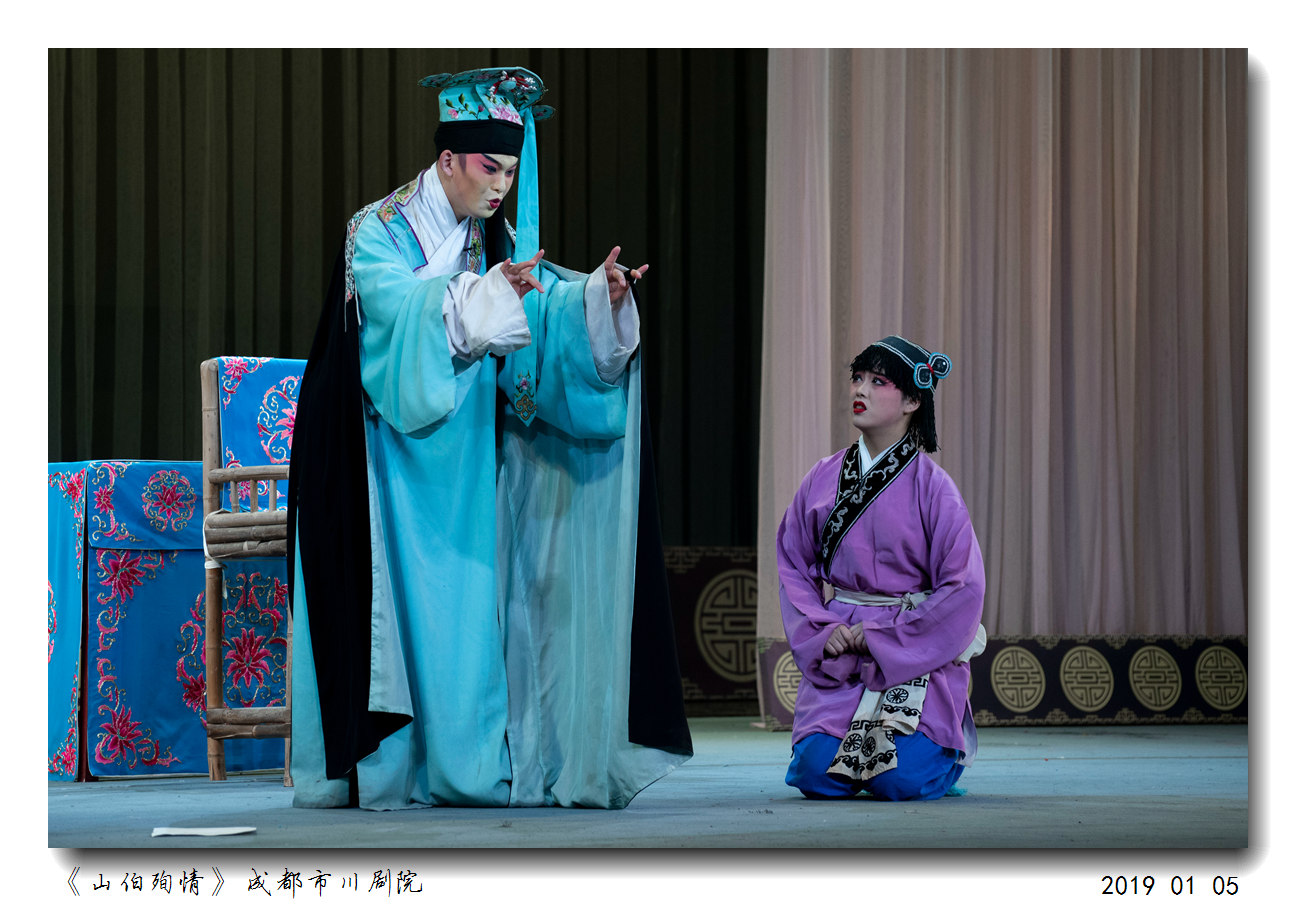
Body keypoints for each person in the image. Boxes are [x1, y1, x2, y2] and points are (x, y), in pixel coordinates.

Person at [286, 66, 692, 810]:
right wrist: (484, 296)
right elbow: (394, 312)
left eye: (510, 170)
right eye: (488, 167)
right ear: (448, 159)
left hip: (474, 458)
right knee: (404, 621)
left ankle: (474, 762)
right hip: (388, 457)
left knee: (472, 615)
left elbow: (536, 315)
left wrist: (594, 300)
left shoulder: (491, 238)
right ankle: (397, 764)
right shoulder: (378, 230)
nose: (502, 184)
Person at [776, 334, 986, 801]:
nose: (861, 389)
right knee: (815, 774)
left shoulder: (935, 488)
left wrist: (885, 635)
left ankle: (945, 763)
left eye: (877, 381)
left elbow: (962, 587)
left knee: (897, 779)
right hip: (843, 647)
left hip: (911, 649)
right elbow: (793, 565)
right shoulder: (823, 477)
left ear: (912, 400)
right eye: (857, 378)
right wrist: (822, 628)